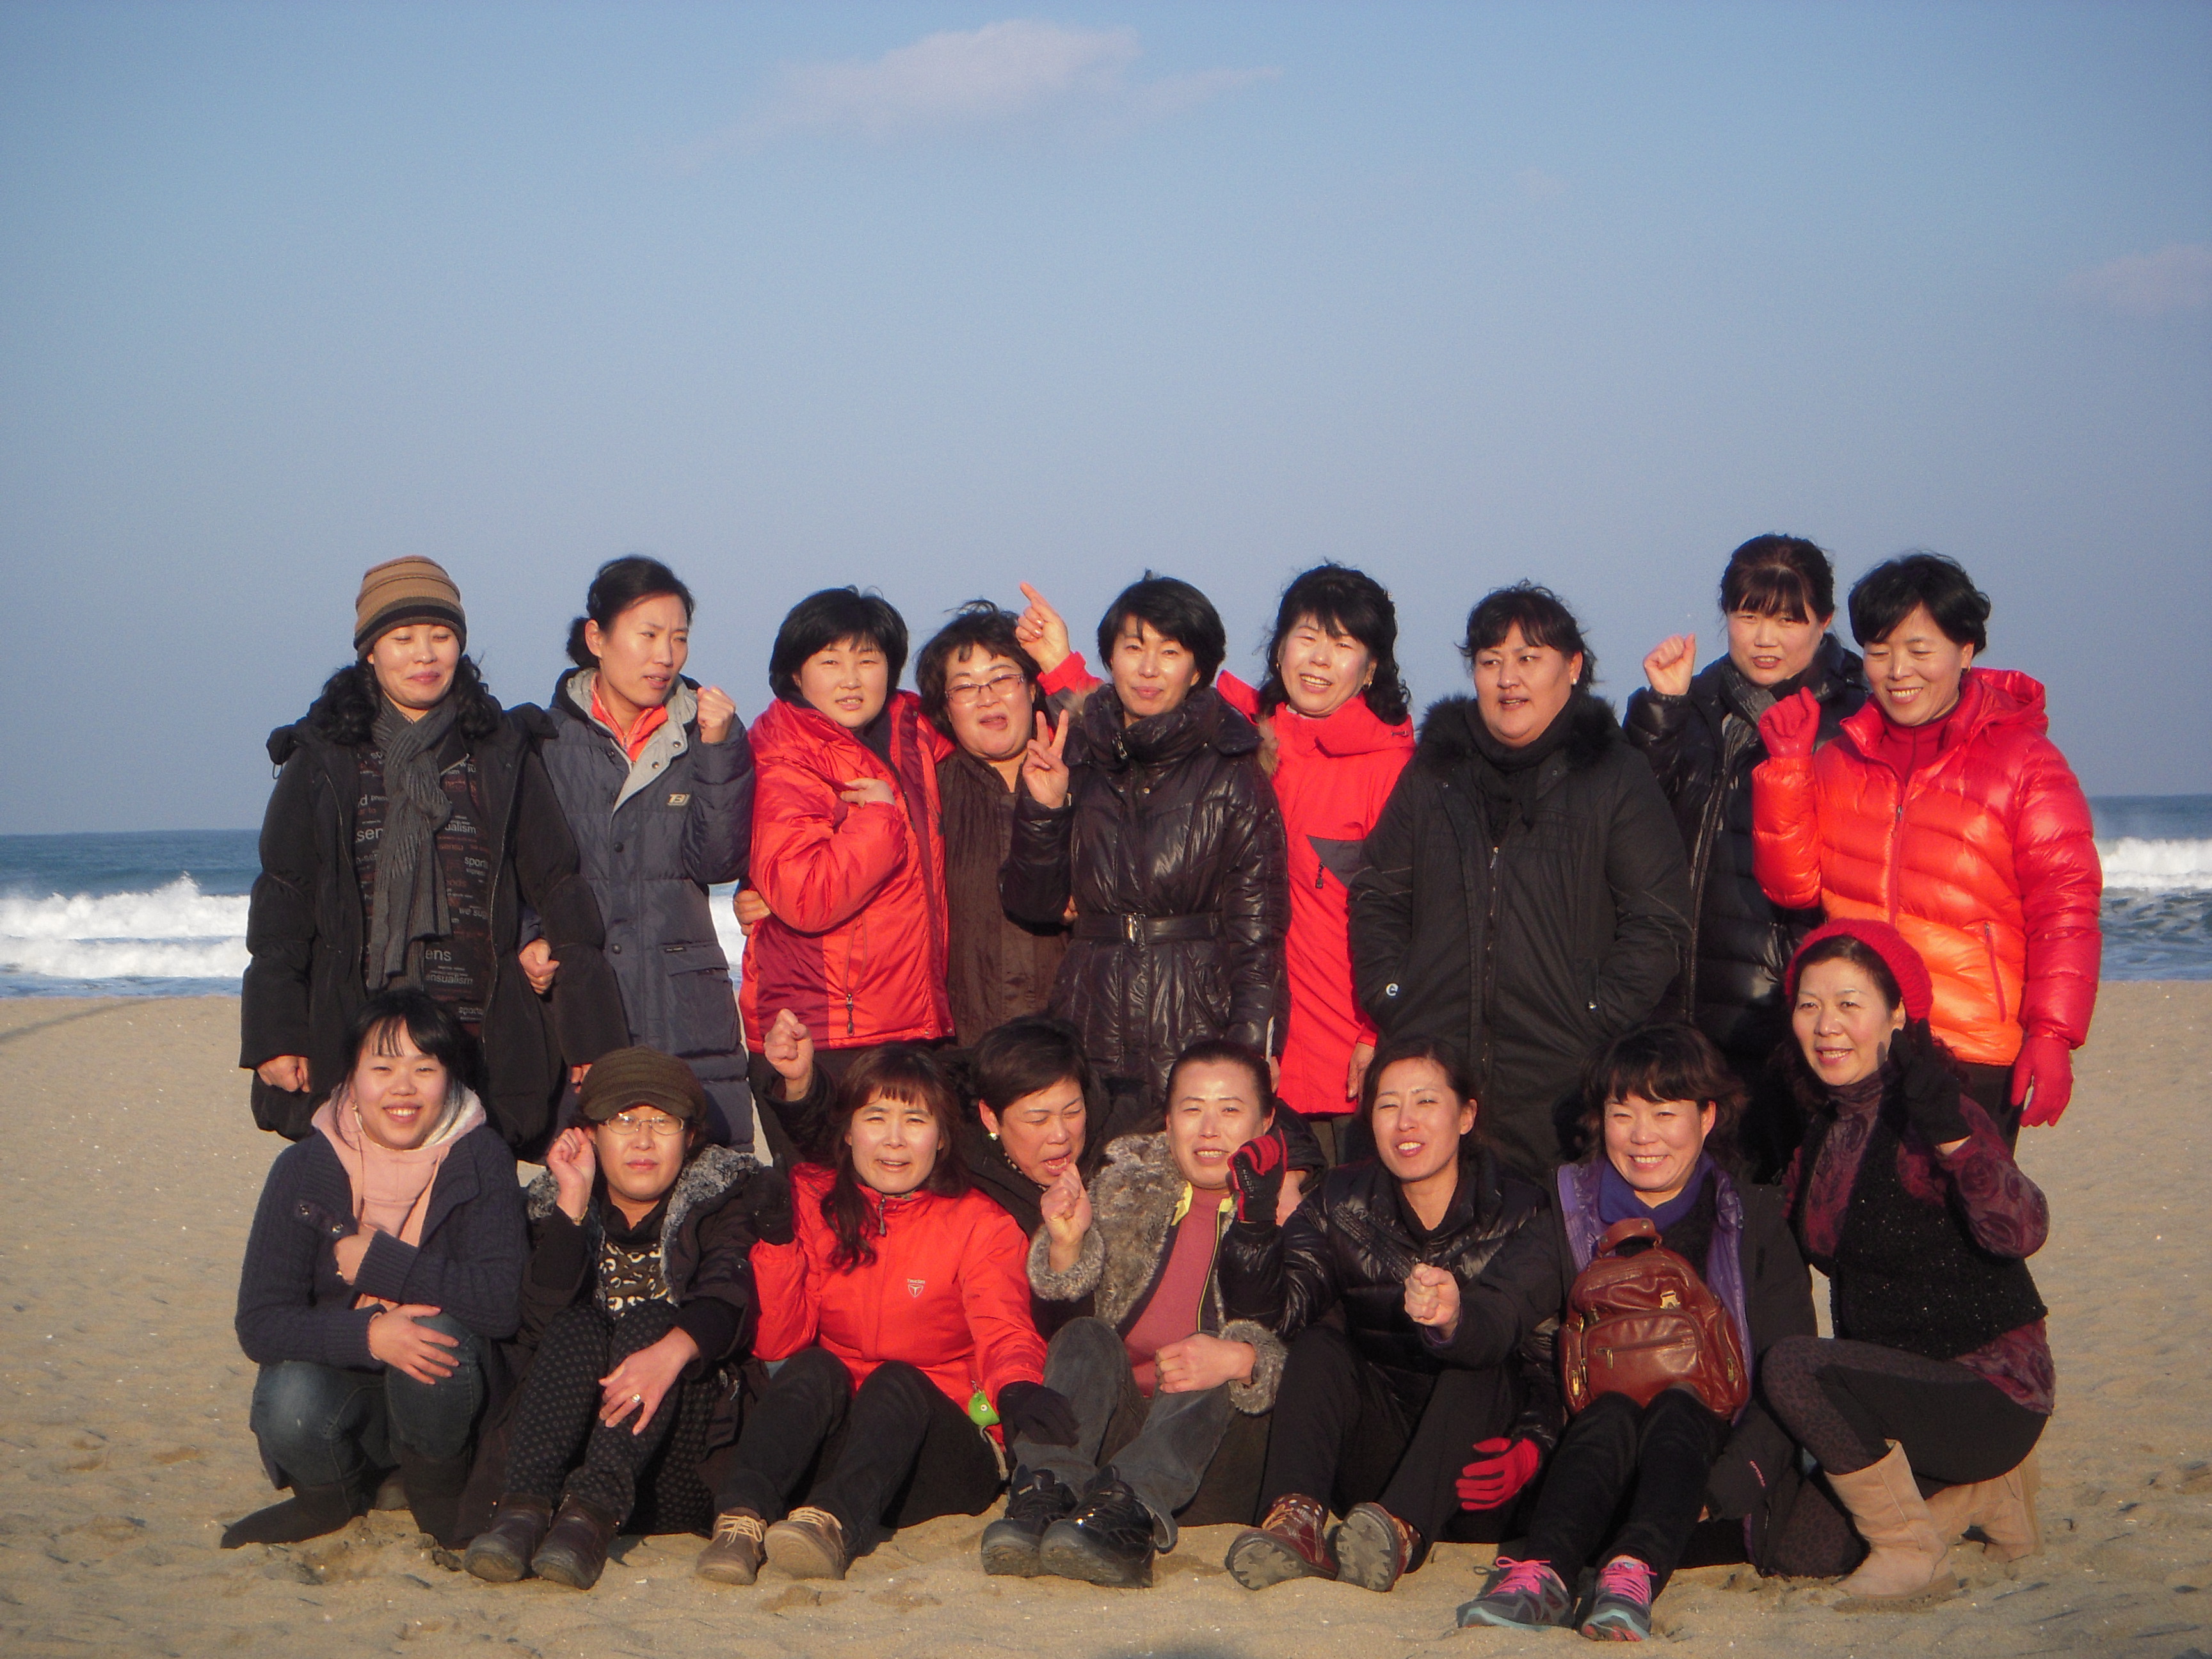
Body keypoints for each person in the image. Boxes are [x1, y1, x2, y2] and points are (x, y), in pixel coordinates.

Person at [1013, 570, 1415, 1160]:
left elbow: (1408, 913)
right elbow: (1141, 717)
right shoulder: (1251, 735)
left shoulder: (1389, 769)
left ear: (1372, 667)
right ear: (1278, 649)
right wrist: (1058, 663)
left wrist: (1379, 1028)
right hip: (1224, 1023)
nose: (1319, 660)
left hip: (1336, 1041)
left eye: (1343, 644)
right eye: (1306, 638)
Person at [242, 557, 628, 1154]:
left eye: (441, 636)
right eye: (403, 638)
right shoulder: (324, 755)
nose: (424, 655)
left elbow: (558, 885)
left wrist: (591, 1037)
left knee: (474, 1197)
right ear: (371, 652)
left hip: (480, 1041)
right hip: (357, 1033)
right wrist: (276, 1034)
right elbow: (284, 902)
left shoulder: (501, 748)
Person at [1447, 1023, 1816, 1639]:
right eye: (1623, 1114)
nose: (1643, 1136)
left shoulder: (1751, 1219)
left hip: (1705, 1496)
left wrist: (1721, 1492)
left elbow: (1788, 1376)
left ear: (1706, 1117)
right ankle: (1542, 1576)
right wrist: (1451, 1317)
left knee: (1678, 1404)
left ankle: (1630, 1578)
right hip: (1590, 1486)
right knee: (1612, 1407)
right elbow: (1502, 1307)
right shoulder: (1572, 1210)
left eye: (1665, 1113)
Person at [1752, 552, 2101, 1141]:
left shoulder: (2027, 764)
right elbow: (1793, 887)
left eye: (1920, 650)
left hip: (1972, 1049)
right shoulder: (1838, 759)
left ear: (1965, 651)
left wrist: (2053, 1035)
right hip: (1859, 1046)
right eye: (1879, 651)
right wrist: (1788, 768)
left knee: (1965, 1199)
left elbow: (2065, 908)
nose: (1898, 671)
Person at [1350, 583, 1694, 1180]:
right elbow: (1379, 893)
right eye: (1490, 662)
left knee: (1548, 1230)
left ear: (1573, 667)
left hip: (1562, 1082)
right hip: (1439, 1073)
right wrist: (1393, 995)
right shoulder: (1437, 772)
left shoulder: (1614, 775)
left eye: (1528, 659)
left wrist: (1596, 1012)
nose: (1508, 679)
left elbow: (1658, 918)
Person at [1758, 918, 2053, 1605]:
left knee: (1794, 1364)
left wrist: (1951, 1135)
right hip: (1893, 1396)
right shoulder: (1823, 1127)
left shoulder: (1940, 1111)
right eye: (1809, 1005)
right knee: (1797, 1553)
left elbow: (2023, 1230)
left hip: (1987, 1392)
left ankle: (1911, 1551)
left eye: (1849, 1003)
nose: (1827, 1025)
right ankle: (1991, 1495)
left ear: (1897, 1015)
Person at [693, 1046, 1057, 1586]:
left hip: (942, 1444)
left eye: (915, 1121)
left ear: (942, 1137)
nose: (894, 1140)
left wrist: (1019, 1386)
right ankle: (740, 1521)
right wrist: (778, 1243)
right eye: (876, 1118)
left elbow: (1002, 1328)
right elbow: (778, 1345)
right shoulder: (816, 1200)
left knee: (896, 1379)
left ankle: (832, 1527)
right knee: (813, 1367)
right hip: (853, 1440)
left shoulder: (980, 1224)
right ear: (848, 1131)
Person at [1214, 1036, 1559, 1596]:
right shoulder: (1339, 1200)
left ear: (1466, 1115)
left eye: (1426, 1102)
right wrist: (1254, 1222)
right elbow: (1278, 1316)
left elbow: (1546, 1355)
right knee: (1320, 1345)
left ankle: (1400, 1532)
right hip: (1374, 1466)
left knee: (1476, 1352)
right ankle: (1295, 1521)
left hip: (1474, 1471)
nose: (1406, 1122)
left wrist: (1533, 1444)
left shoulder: (1523, 1208)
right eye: (1388, 1104)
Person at [981, 1039, 1294, 1589]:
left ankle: (1127, 1515)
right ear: (1169, 1123)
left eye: (1230, 1110)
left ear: (1265, 1122)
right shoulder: (1125, 1188)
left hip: (1210, 1451)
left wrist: (1244, 1359)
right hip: (1119, 1438)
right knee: (1085, 1335)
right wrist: (1067, 1247)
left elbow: (1324, 1350)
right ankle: (1046, 1493)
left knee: (1207, 1352)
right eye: (1192, 1110)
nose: (1209, 1130)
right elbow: (1064, 1337)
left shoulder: (1292, 1216)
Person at [462, 1048, 773, 1590]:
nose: (643, 1140)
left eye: (662, 1121)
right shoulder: (555, 1204)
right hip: (565, 1447)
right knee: (576, 1326)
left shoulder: (722, 1199)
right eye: (623, 1120)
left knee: (652, 1323)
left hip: (675, 1454)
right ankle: (522, 1515)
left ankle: (586, 1522)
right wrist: (573, 1202)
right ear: (590, 1133)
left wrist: (668, 1353)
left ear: (691, 1137)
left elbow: (728, 1294)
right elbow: (536, 1327)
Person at [227, 989, 524, 1550]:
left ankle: (436, 1494)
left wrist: (382, 1265)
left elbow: (502, 1301)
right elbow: (260, 1323)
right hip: (344, 1381)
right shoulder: (303, 1165)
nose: (403, 1088)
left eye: (424, 1069)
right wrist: (369, 1336)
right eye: (382, 1068)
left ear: (450, 1078)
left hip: (445, 1399)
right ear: (352, 1078)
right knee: (288, 1399)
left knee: (433, 1335)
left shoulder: (482, 1156)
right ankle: (328, 1499)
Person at [1000, 574, 1289, 1114]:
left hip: (1196, 1014)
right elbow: (1032, 903)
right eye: (1133, 649)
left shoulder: (1232, 770)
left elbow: (1258, 931)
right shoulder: (1075, 751)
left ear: (1197, 669)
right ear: (1110, 658)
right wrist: (1045, 809)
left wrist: (1252, 1048)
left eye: (1170, 652)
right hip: (1092, 1010)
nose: (1149, 669)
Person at [1626, 536, 1868, 1178]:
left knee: (1775, 1200)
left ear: (1824, 621)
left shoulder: (1853, 719)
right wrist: (1660, 712)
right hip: (1676, 1006)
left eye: (1789, 619)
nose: (1766, 639)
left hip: (1781, 1011)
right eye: (1749, 615)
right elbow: (1630, 826)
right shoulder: (1694, 701)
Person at [531, 557, 757, 1147]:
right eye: (649, 634)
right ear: (597, 638)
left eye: (679, 638)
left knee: (706, 1182)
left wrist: (717, 751)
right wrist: (530, 938)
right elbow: (518, 870)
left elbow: (718, 863)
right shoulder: (542, 742)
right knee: (587, 1179)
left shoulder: (708, 734)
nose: (666, 656)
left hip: (683, 1008)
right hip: (582, 1006)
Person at [739, 589, 954, 1077]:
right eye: (830, 662)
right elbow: (806, 896)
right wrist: (878, 817)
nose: (851, 680)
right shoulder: (781, 755)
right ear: (796, 674)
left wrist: (1062, 673)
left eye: (868, 660)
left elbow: (1006, 736)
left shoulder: (913, 729)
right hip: (821, 1031)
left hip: (917, 1022)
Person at [914, 602, 1075, 1045]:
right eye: (965, 686)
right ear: (946, 709)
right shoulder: (927, 793)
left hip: (1070, 1043)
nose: (987, 697)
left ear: (1033, 688)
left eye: (1003, 678)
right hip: (961, 1046)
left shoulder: (1086, 776)